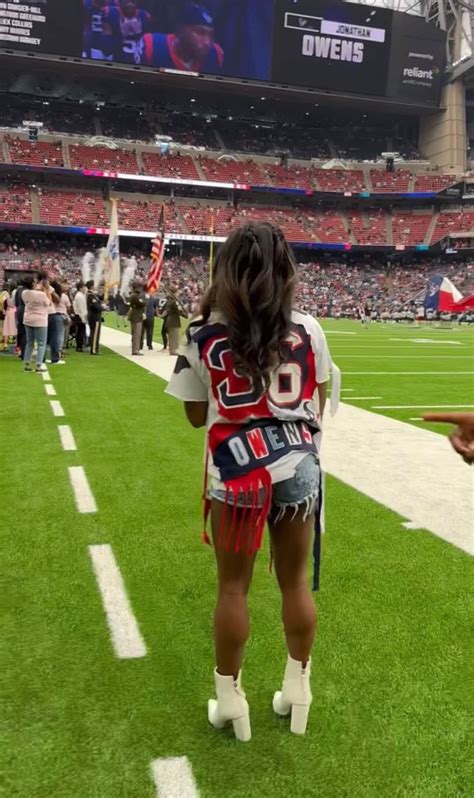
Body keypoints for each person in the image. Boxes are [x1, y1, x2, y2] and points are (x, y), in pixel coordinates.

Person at [166, 223, 331, 741]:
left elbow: (196, 414)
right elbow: (318, 401)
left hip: (236, 468)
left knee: (233, 587)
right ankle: (297, 688)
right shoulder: (308, 327)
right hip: (298, 465)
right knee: (295, 581)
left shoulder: (202, 331)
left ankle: (230, 700)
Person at [141, 3, 224, 73]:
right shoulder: (151, 46)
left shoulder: (216, 54)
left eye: (210, 35)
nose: (207, 42)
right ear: (180, 31)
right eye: (200, 33)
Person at [23, 277, 53, 373]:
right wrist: (46, 289)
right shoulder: (41, 294)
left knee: (29, 342)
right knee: (41, 343)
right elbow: (49, 302)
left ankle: (26, 363)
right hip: (40, 320)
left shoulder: (24, 293)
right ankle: (38, 365)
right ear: (33, 284)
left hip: (28, 319)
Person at [46, 281, 65, 365]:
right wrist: (52, 291)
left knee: (43, 339)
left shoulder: (36, 289)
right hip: (51, 314)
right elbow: (58, 300)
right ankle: (55, 357)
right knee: (55, 337)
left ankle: (41, 358)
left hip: (41, 315)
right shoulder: (49, 289)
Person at [161, 288, 185, 355]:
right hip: (173, 320)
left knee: (172, 336)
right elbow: (178, 310)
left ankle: (172, 350)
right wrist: (185, 314)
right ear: (175, 292)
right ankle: (174, 350)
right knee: (174, 336)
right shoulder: (173, 301)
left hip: (170, 320)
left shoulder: (170, 300)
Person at [15, 275, 32, 360]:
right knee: (26, 333)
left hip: (19, 311)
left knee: (21, 333)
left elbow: (16, 302)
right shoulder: (27, 291)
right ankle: (25, 353)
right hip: (25, 311)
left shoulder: (18, 290)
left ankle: (21, 352)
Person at [128, 281, 146, 355]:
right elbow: (142, 303)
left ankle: (136, 349)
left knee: (136, 333)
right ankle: (135, 350)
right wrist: (144, 302)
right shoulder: (135, 296)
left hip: (135, 315)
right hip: (136, 316)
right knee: (137, 334)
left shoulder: (134, 295)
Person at [86, 280, 103, 355]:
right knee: (95, 333)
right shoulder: (90, 295)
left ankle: (95, 348)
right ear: (92, 286)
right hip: (94, 316)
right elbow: (96, 306)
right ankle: (94, 349)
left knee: (95, 333)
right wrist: (103, 307)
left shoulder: (93, 295)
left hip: (95, 316)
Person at [73, 282, 88, 352]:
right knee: (81, 332)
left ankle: (80, 345)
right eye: (84, 287)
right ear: (80, 288)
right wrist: (83, 318)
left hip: (79, 315)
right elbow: (81, 308)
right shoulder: (79, 296)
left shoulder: (81, 295)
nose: (85, 289)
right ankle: (79, 346)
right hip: (79, 315)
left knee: (80, 331)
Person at [58, 281, 72, 353]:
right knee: (63, 332)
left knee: (63, 332)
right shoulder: (64, 295)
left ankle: (62, 346)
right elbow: (69, 306)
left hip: (62, 314)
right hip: (63, 314)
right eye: (64, 284)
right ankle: (61, 347)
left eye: (66, 284)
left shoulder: (69, 294)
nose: (65, 286)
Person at [2, 283, 18, 349]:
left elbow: (3, 302)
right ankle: (17, 343)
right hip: (14, 310)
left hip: (8, 311)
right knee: (16, 327)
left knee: (6, 327)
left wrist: (4, 309)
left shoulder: (7, 294)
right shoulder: (16, 293)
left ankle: (5, 343)